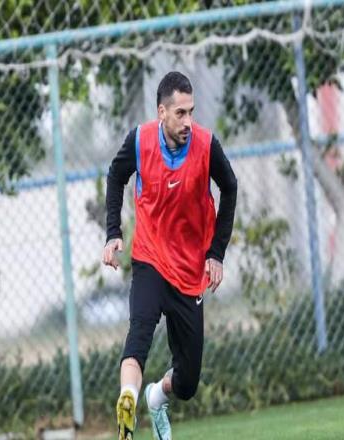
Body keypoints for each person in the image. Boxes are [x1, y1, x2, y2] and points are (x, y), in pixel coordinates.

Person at [102, 71, 238, 440]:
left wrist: (216, 253)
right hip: (149, 260)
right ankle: (127, 400)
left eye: (191, 112)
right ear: (161, 112)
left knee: (188, 382)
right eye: (180, 113)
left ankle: (155, 396)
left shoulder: (206, 146)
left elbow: (230, 187)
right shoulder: (140, 140)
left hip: (190, 271)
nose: (188, 121)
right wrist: (113, 233)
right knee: (139, 335)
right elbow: (115, 177)